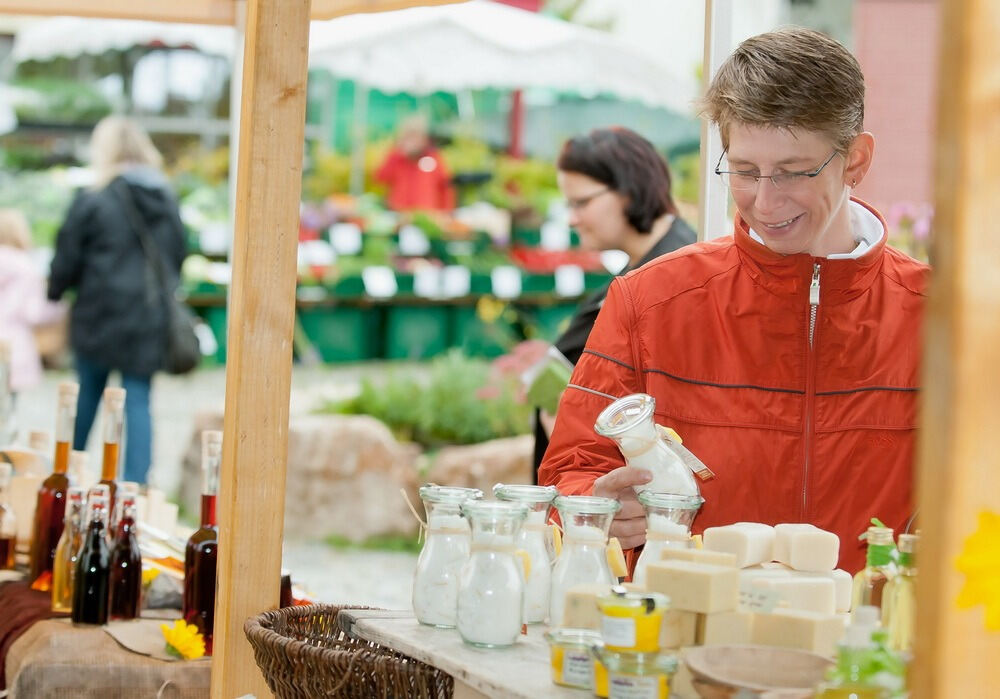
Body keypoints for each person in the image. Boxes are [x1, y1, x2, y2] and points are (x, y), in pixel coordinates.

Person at [538, 27, 928, 574]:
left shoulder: (941, 320)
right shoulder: (647, 302)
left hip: (873, 628)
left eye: (792, 172)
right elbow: (570, 473)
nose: (764, 201)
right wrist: (595, 508)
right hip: (690, 624)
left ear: (856, 160)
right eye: (744, 171)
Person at [532, 127, 696, 478]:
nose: (573, 218)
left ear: (629, 190)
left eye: (581, 203)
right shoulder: (642, 266)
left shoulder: (675, 274)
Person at [48, 116, 187, 485]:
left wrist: (55, 292)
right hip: (148, 313)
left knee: (87, 395)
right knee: (138, 398)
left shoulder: (94, 198)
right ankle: (134, 486)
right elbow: (178, 253)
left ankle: (66, 476)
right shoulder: (164, 197)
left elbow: (67, 256)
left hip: (99, 312)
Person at [0, 209, 65, 393]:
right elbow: (33, 313)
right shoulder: (26, 266)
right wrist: (58, 307)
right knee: (8, 404)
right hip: (14, 343)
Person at [375, 114, 456, 211]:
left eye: (415, 136)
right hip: (399, 212)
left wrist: (447, 210)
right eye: (408, 136)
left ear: (424, 138)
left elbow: (446, 185)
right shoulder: (397, 157)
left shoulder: (432, 157)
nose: (412, 141)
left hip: (426, 212)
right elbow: (381, 177)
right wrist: (397, 152)